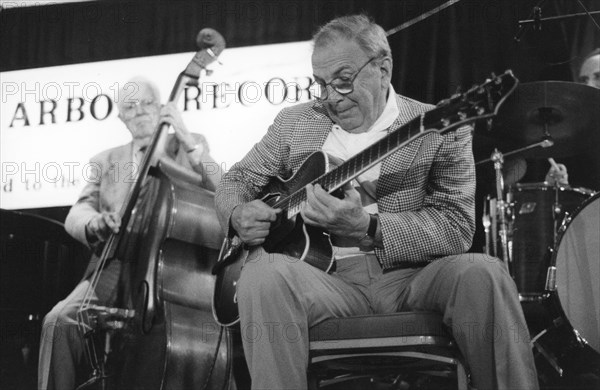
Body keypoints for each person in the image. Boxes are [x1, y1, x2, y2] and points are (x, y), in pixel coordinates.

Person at [215, 14, 539, 390]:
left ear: (383, 69)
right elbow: (236, 179)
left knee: (484, 272)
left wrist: (368, 227)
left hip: (412, 278)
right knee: (261, 274)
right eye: (321, 84)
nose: (331, 97)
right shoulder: (295, 123)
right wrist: (238, 213)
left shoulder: (442, 126)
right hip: (326, 281)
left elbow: (457, 228)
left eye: (343, 80)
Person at [38, 77, 221, 390]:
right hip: (115, 265)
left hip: (173, 269)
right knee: (59, 321)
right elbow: (77, 213)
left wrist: (186, 137)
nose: (139, 112)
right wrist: (94, 223)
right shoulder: (105, 160)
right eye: (130, 108)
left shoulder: (188, 145)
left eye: (147, 104)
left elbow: (222, 189)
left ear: (162, 106)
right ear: (121, 118)